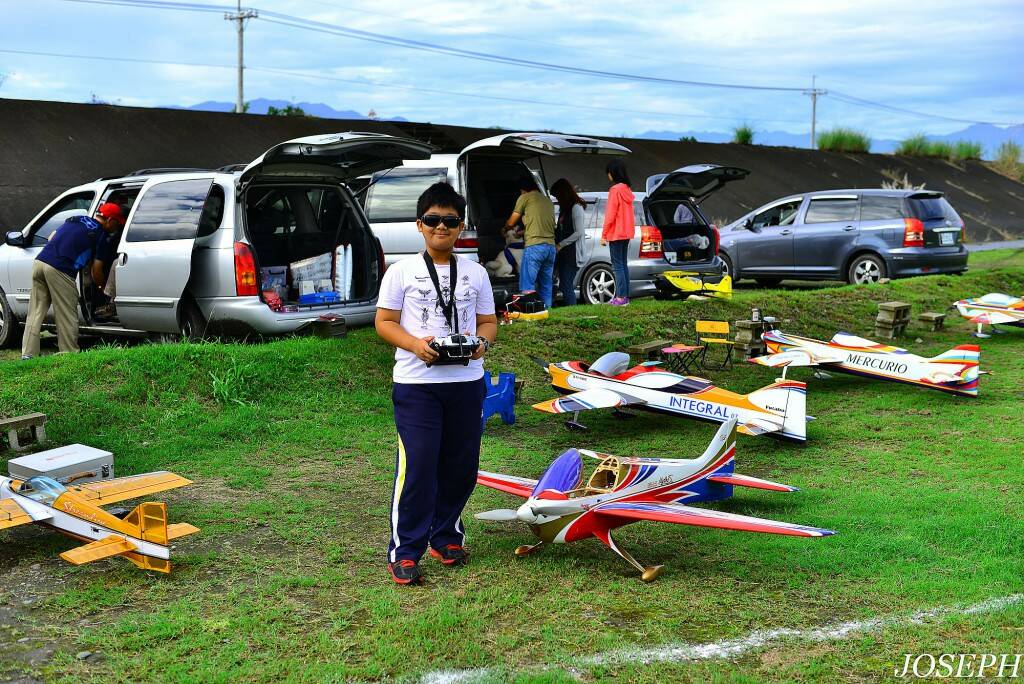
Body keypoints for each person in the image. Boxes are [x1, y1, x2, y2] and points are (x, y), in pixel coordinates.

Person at [375, 182, 498, 586]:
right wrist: (415, 345)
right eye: (432, 220)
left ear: (460, 226)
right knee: (419, 465)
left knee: (462, 467)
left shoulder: (476, 272)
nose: (440, 227)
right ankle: (405, 550)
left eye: (449, 220)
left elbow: (488, 323)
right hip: (418, 384)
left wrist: (482, 344)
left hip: (466, 382)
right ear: (420, 225)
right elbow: (384, 322)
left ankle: (445, 536)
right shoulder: (401, 271)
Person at [21, 203, 125, 359]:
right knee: (66, 313)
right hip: (61, 269)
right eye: (117, 224)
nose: (116, 228)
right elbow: (96, 270)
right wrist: (102, 287)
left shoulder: (75, 219)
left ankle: (28, 355)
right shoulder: (101, 235)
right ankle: (69, 353)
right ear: (110, 220)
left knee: (35, 311)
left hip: (40, 262)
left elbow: (52, 236)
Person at [505, 175, 556, 308]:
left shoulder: (525, 198)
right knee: (546, 285)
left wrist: (504, 229)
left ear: (523, 190)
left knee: (527, 284)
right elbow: (542, 224)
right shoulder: (547, 200)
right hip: (550, 247)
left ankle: (530, 316)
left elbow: (511, 222)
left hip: (534, 247)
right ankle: (546, 313)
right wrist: (522, 231)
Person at [600, 158, 636, 306]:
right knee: (623, 264)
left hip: (616, 233)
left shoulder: (615, 190)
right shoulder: (627, 189)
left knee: (617, 266)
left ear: (612, 173)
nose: (608, 176)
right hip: (626, 233)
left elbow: (610, 214)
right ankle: (625, 297)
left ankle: (621, 298)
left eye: (608, 173)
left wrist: (604, 235)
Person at [549, 178, 586, 306]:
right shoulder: (564, 210)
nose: (557, 200)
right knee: (564, 284)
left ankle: (573, 311)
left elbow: (579, 232)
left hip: (572, 254)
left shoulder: (576, 208)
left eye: (557, 196)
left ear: (563, 194)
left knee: (566, 285)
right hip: (564, 254)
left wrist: (561, 244)